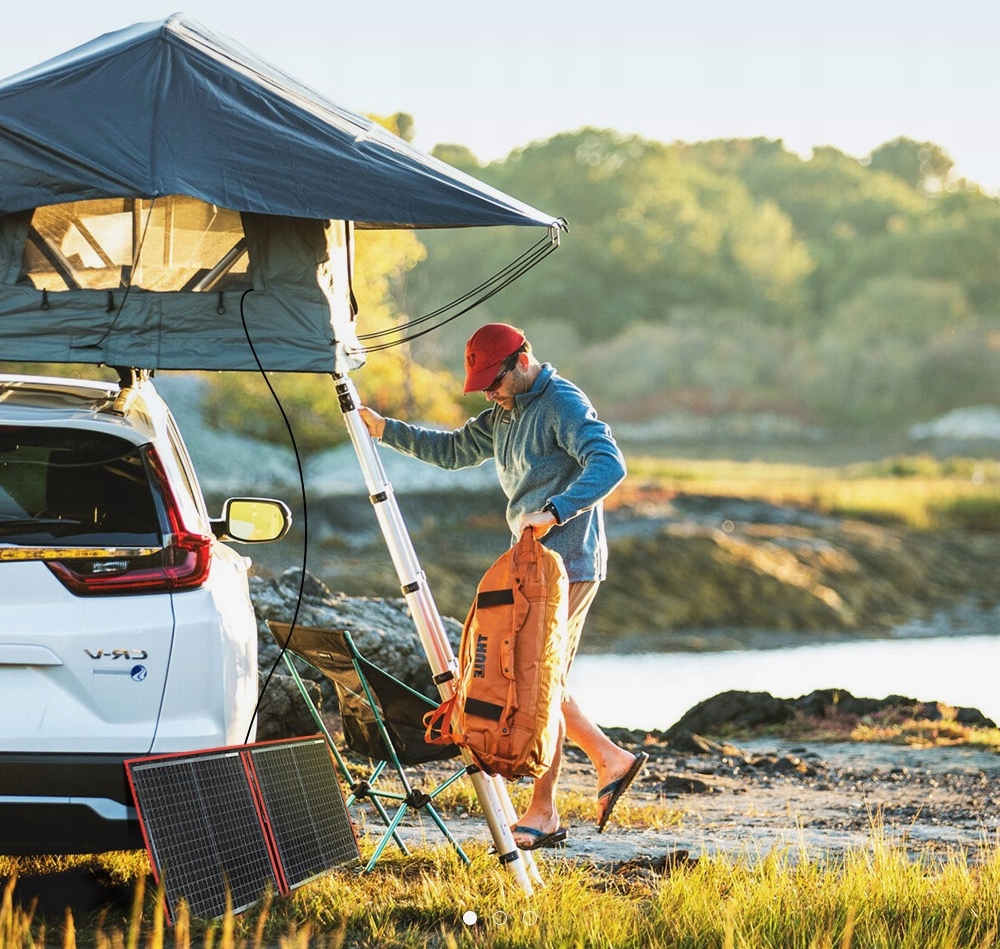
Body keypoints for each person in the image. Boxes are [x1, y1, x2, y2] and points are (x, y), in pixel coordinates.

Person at [358, 322, 647, 850]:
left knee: (541, 682)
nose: (488, 391)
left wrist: (555, 512)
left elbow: (610, 464)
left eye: (494, 380)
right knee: (542, 680)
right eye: (483, 384)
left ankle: (553, 803)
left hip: (569, 566)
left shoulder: (562, 402)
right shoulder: (502, 413)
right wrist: (385, 430)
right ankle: (603, 765)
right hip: (530, 567)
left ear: (521, 361)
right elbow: (449, 451)